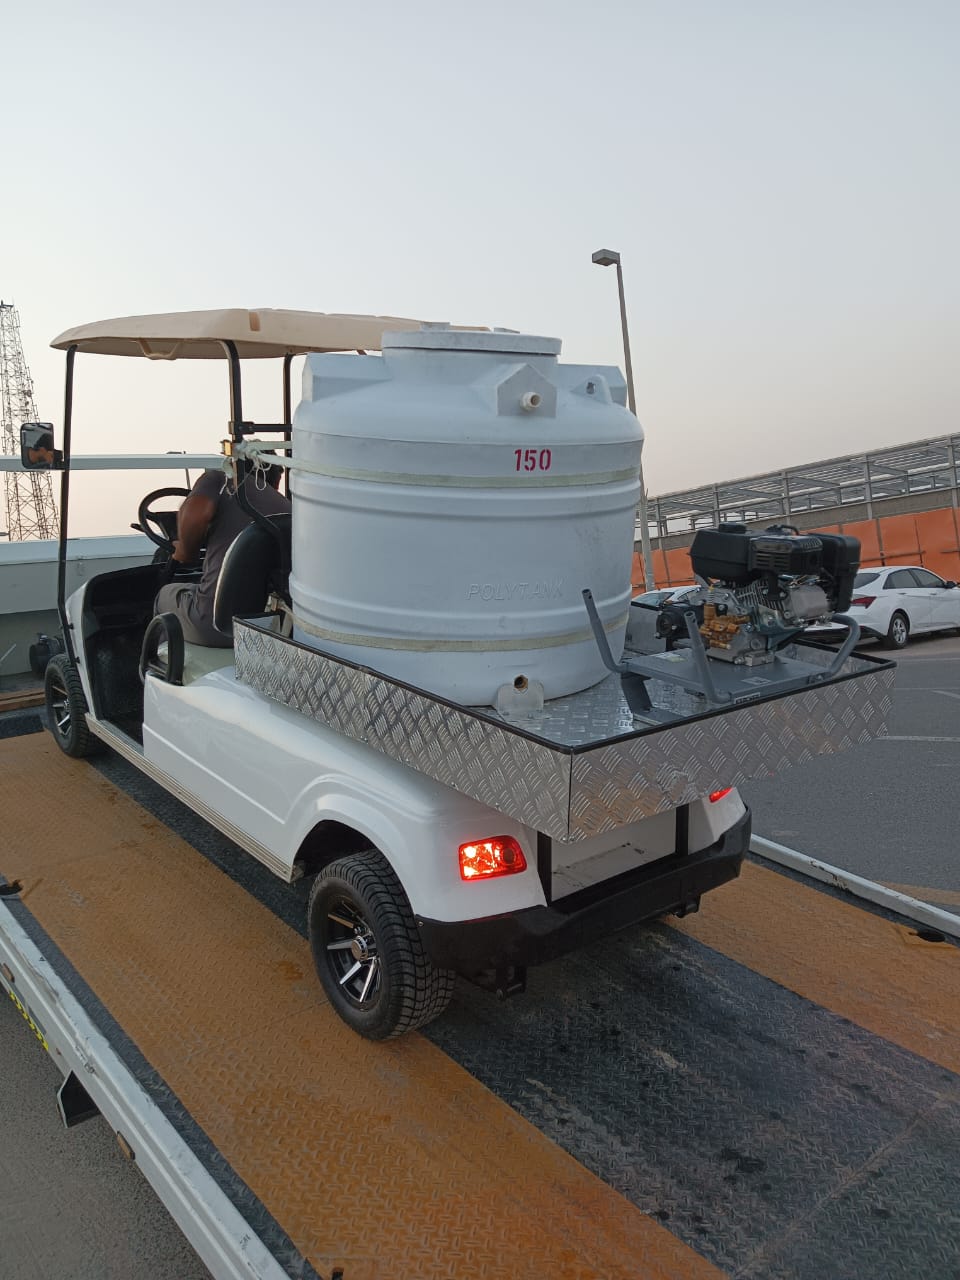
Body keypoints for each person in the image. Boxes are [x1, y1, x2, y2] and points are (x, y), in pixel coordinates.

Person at [154, 460, 290, 647]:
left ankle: (167, 667)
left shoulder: (220, 480)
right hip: (269, 627)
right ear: (275, 482)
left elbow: (197, 515)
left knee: (164, 595)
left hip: (215, 625)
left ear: (236, 468)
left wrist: (184, 551)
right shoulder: (289, 509)